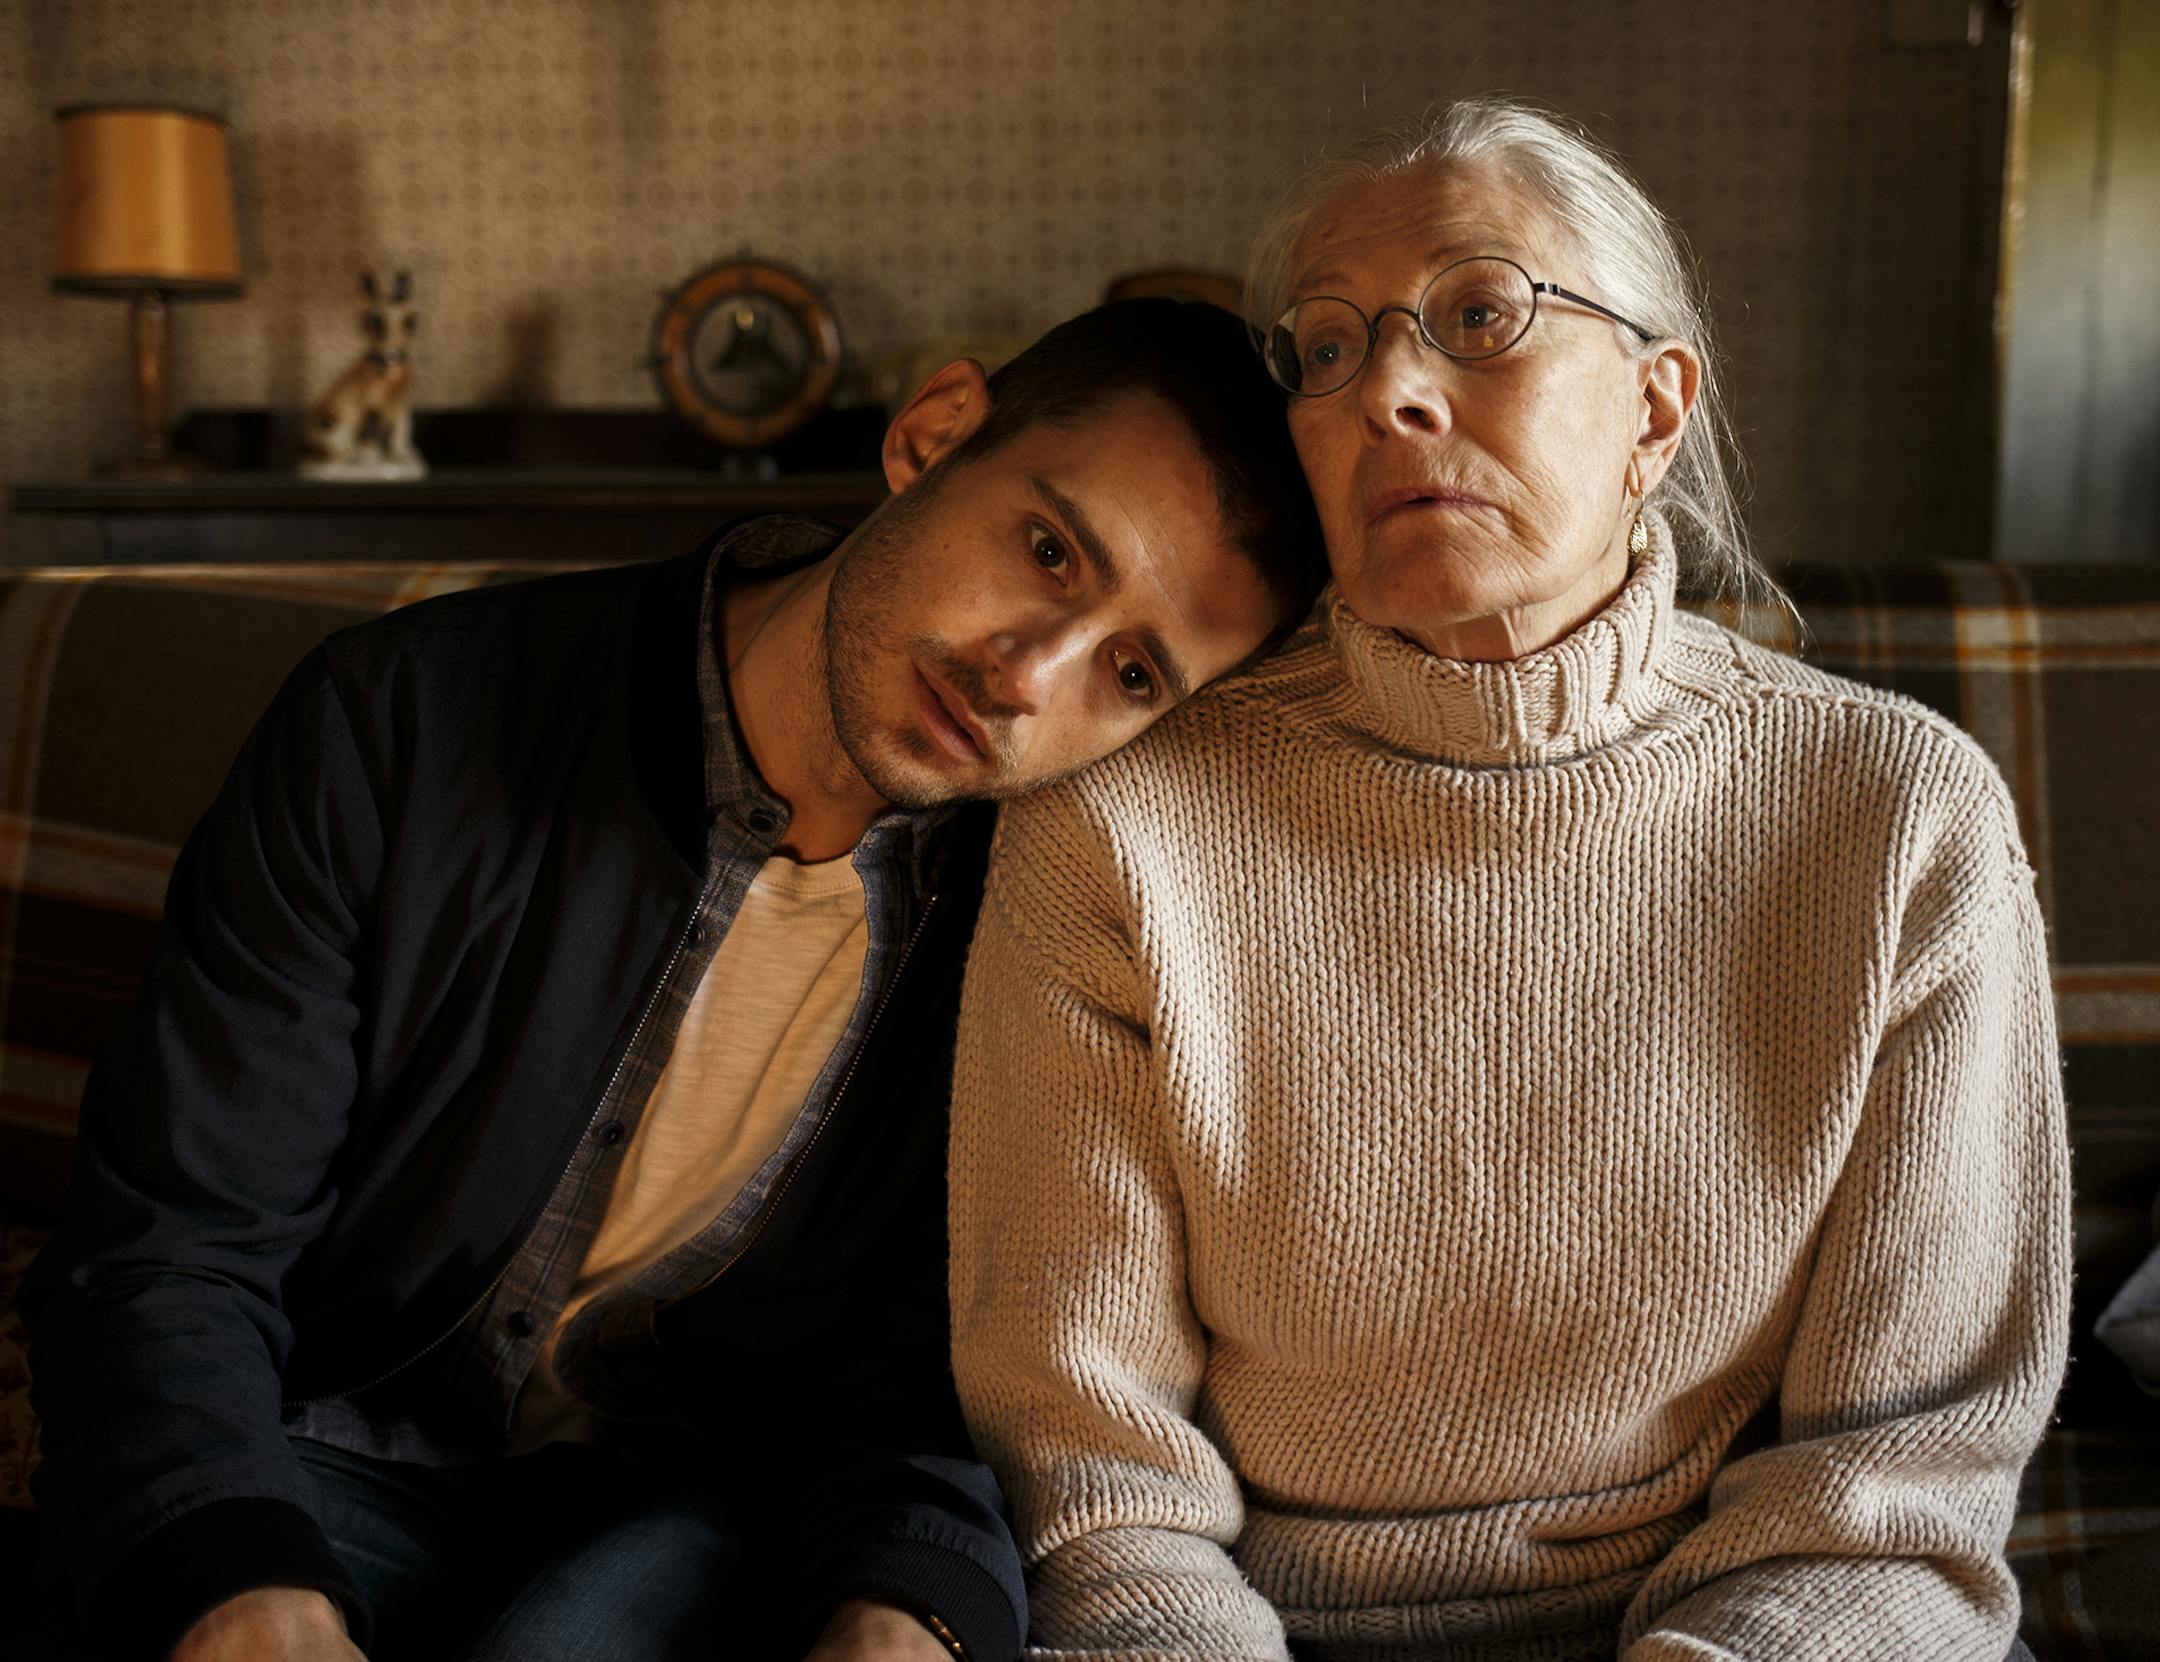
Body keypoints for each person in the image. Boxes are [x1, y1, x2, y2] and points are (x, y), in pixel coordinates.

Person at [21, 297, 1326, 1662]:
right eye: (1047, 548)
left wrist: (909, 1609)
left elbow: (943, 1376)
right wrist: (242, 1594)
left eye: (1129, 671)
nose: (1026, 676)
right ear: (934, 434)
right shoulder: (397, 719)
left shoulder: (1047, 906)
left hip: (710, 1515)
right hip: (330, 1448)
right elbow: (169, 1247)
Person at [949, 102, 2070, 1662]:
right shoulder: (1123, 822)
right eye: (1326, 352)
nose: (1390, 393)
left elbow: (1898, 1484)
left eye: (1482, 317)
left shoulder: (1897, 817)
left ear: (1656, 412)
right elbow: (1090, 1462)